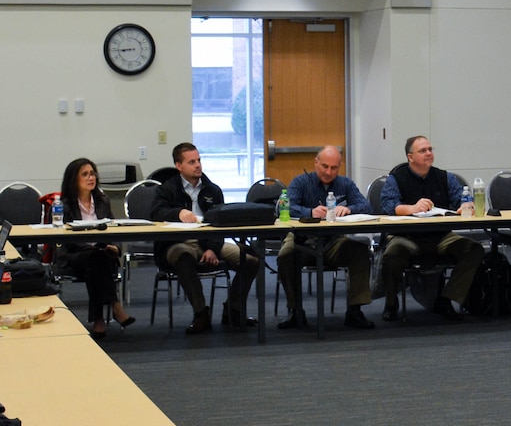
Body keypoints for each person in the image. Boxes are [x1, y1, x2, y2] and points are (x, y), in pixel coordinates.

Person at [149, 142, 259, 334]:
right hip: (178, 243)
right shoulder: (167, 189)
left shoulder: (212, 190)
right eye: (191, 162)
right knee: (184, 257)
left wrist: (212, 249)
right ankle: (201, 313)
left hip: (209, 241)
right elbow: (155, 212)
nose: (198, 165)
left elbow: (221, 223)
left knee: (250, 261)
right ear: (179, 166)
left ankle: (233, 309)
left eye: (199, 160)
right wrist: (178, 213)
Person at [378, 135, 485, 322]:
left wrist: (465, 206)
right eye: (423, 150)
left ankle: (446, 299)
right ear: (410, 157)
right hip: (407, 237)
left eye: (430, 149)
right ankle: (391, 302)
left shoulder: (444, 177)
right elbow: (387, 206)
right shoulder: (396, 178)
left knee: (473, 249)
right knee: (393, 254)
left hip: (440, 235)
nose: (429, 153)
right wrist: (411, 208)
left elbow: (461, 197)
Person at [276, 146, 375, 331]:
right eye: (324, 166)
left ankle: (355, 310)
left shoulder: (345, 184)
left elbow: (366, 206)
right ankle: (295, 310)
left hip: (334, 240)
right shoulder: (301, 182)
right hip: (302, 239)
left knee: (359, 251)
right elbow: (285, 208)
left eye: (334, 168)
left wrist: (349, 209)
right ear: (315, 163)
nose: (329, 172)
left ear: (339, 167)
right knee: (285, 256)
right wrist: (309, 212)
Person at [58, 157, 135, 336]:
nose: (90, 178)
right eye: (84, 174)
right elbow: (65, 239)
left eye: (92, 173)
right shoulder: (65, 205)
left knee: (96, 262)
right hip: (75, 256)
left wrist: (115, 247)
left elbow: (112, 228)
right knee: (96, 258)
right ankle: (116, 307)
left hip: (99, 257)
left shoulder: (102, 200)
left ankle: (99, 319)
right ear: (73, 179)